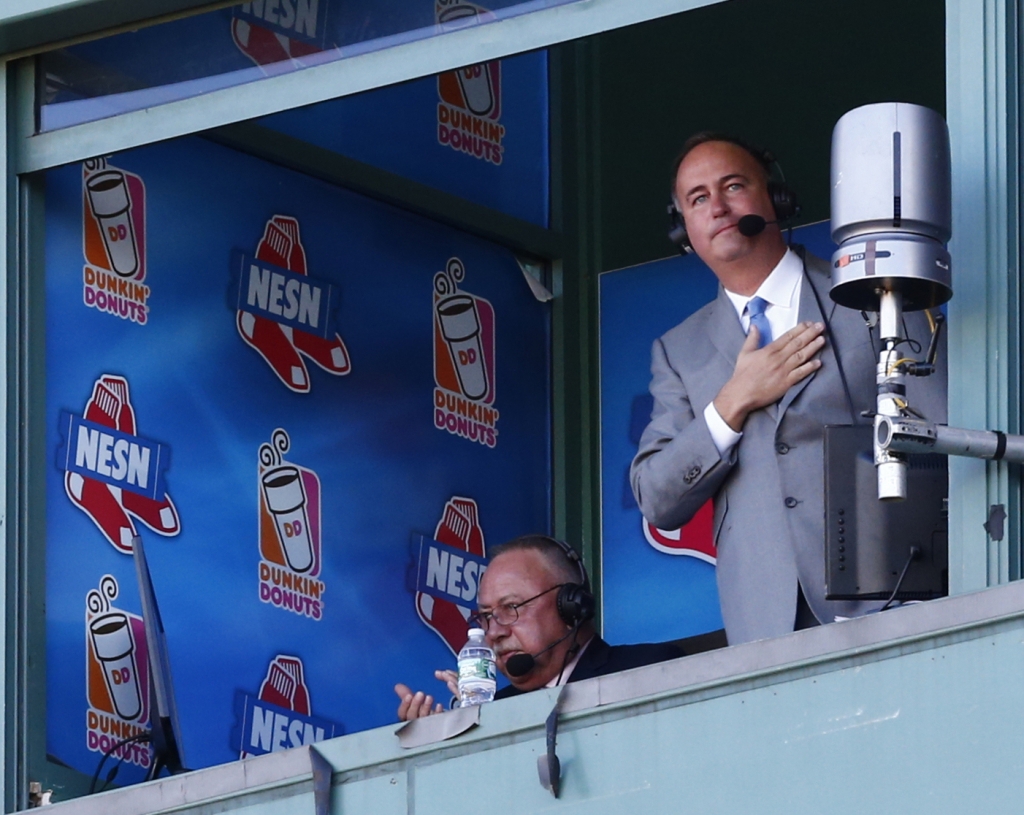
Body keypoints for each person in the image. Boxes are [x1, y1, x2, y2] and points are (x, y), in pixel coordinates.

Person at [630, 133, 946, 646]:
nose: (718, 207)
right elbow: (657, 498)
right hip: (765, 626)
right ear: (682, 229)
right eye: (698, 198)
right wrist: (731, 402)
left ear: (776, 199)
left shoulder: (873, 296)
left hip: (895, 600)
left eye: (733, 185)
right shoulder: (678, 350)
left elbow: (949, 439)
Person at [395, 534, 682, 720]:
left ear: (570, 606)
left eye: (511, 608)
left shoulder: (652, 670)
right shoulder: (491, 713)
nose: (494, 632)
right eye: (485, 615)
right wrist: (437, 744)